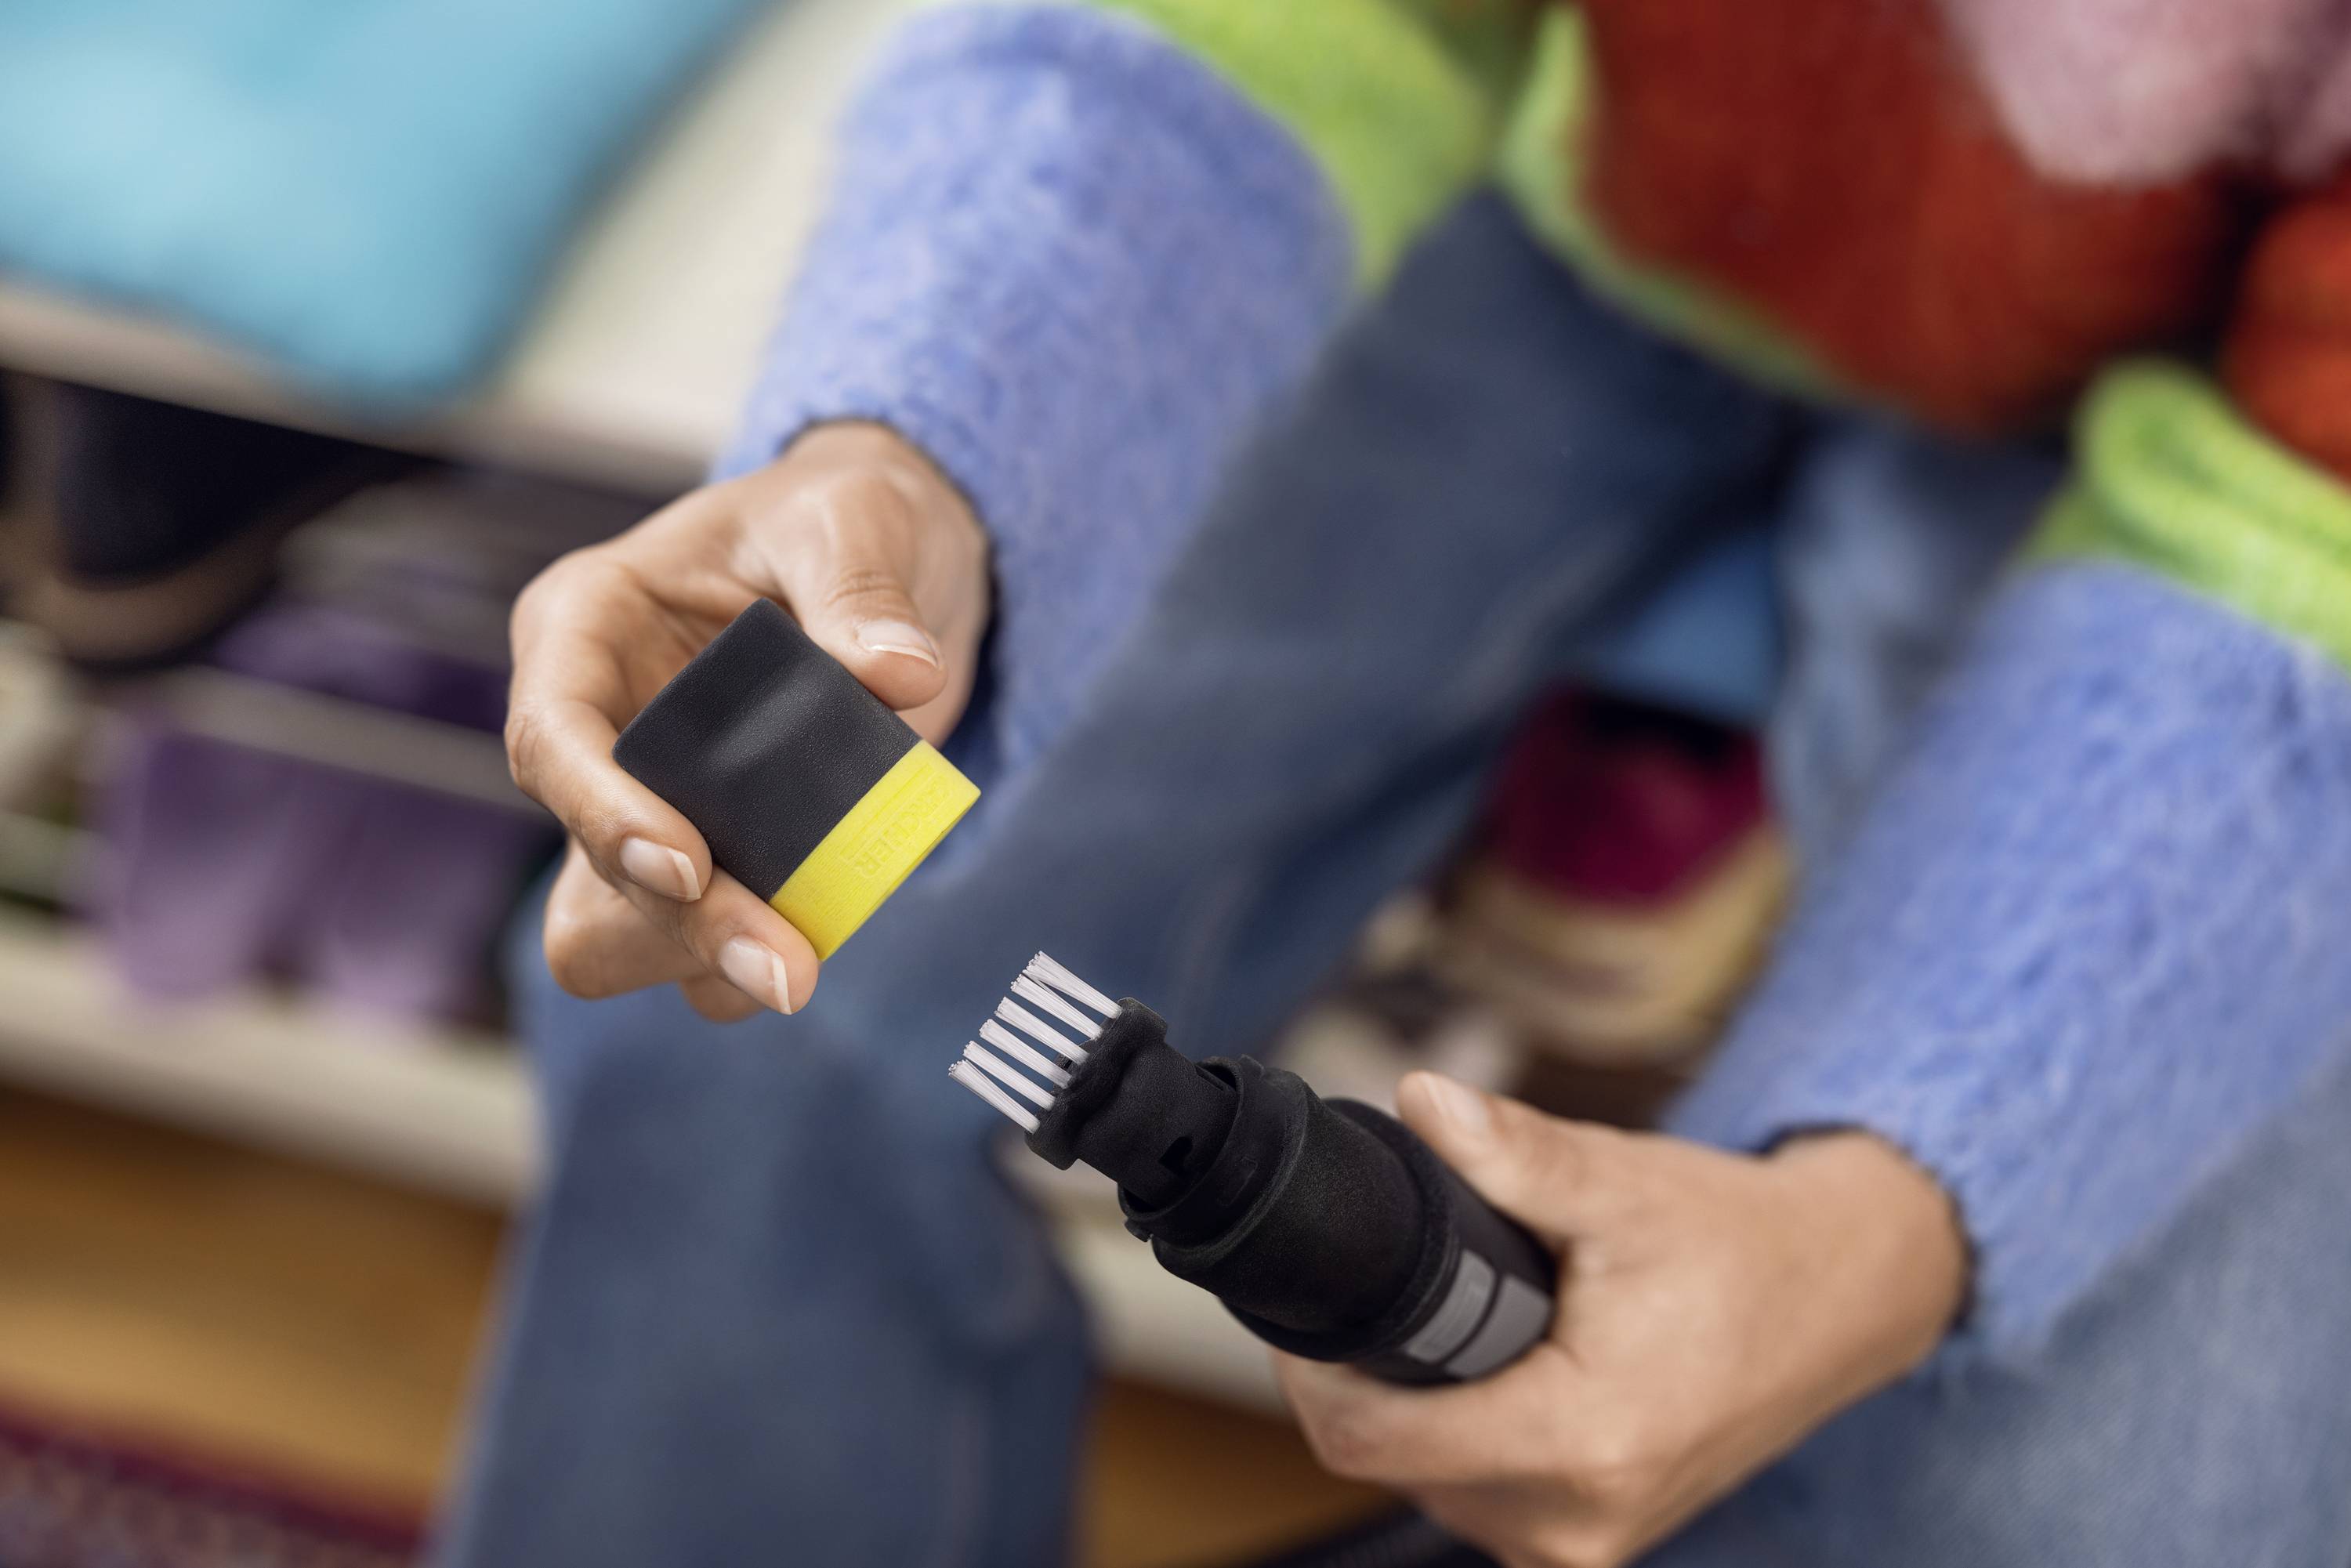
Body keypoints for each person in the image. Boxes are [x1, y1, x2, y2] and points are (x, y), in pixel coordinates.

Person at [451, 3, 2351, 1564]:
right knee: (741, 1006)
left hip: (2285, 501)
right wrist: (910, 442)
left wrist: (1875, 1233)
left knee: (2062, 1498)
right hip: (1573, 176)